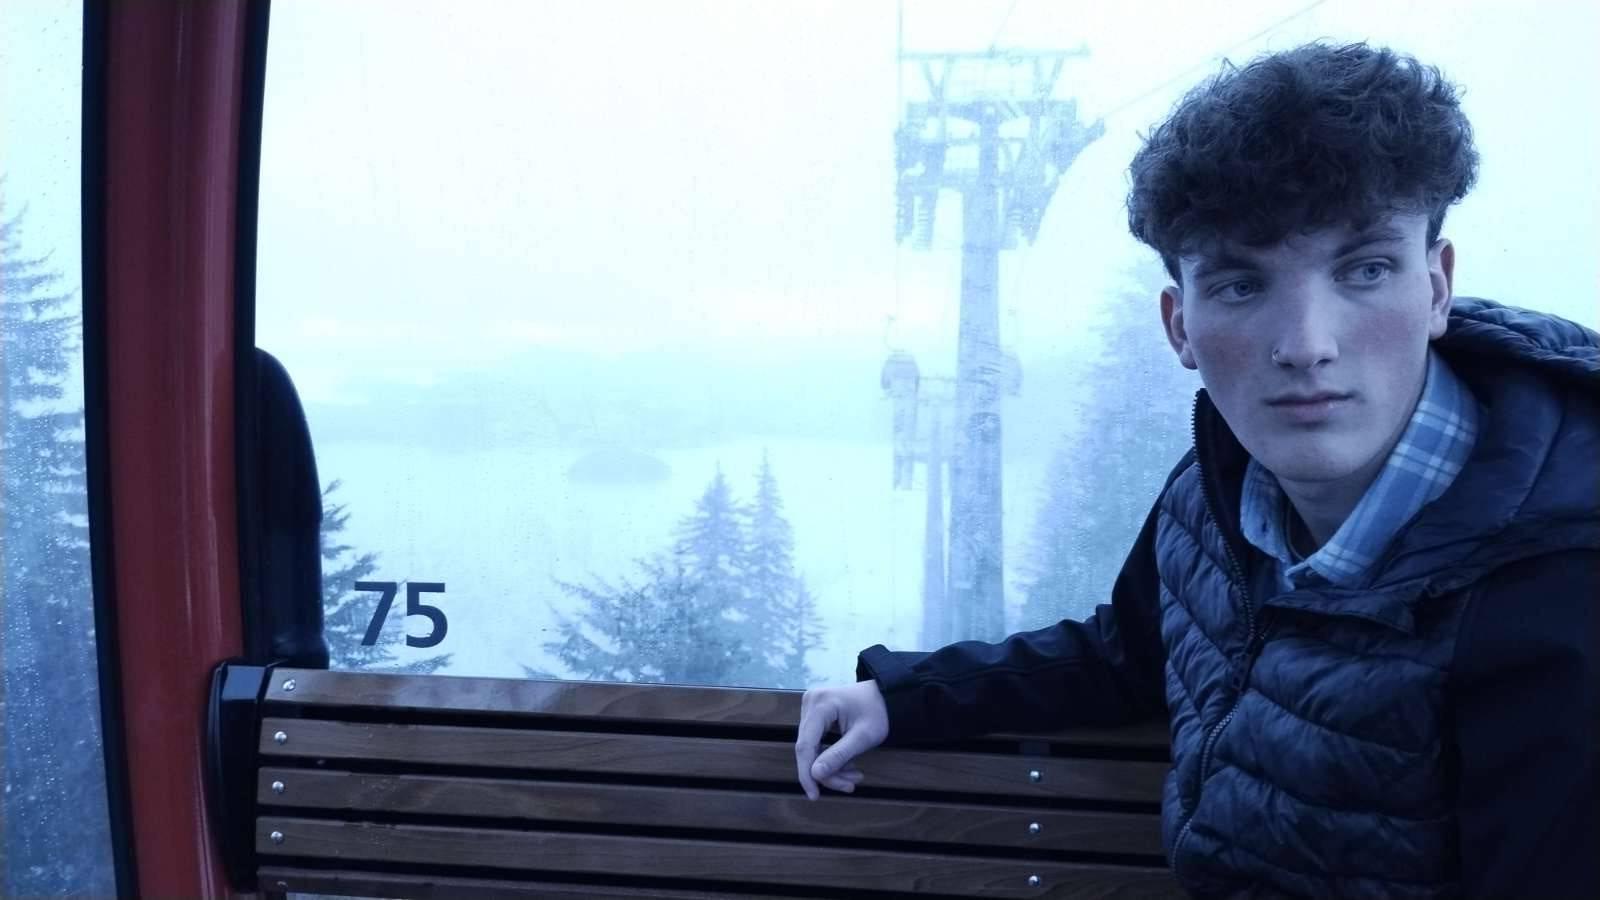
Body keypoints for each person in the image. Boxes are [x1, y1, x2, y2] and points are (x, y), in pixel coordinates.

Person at [794, 41, 1597, 898]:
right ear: (1180, 326)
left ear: (1436, 288)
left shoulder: (1555, 600)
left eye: (1364, 270)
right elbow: (1130, 651)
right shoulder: (1215, 494)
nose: (1306, 347)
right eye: (1243, 287)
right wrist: (906, 695)